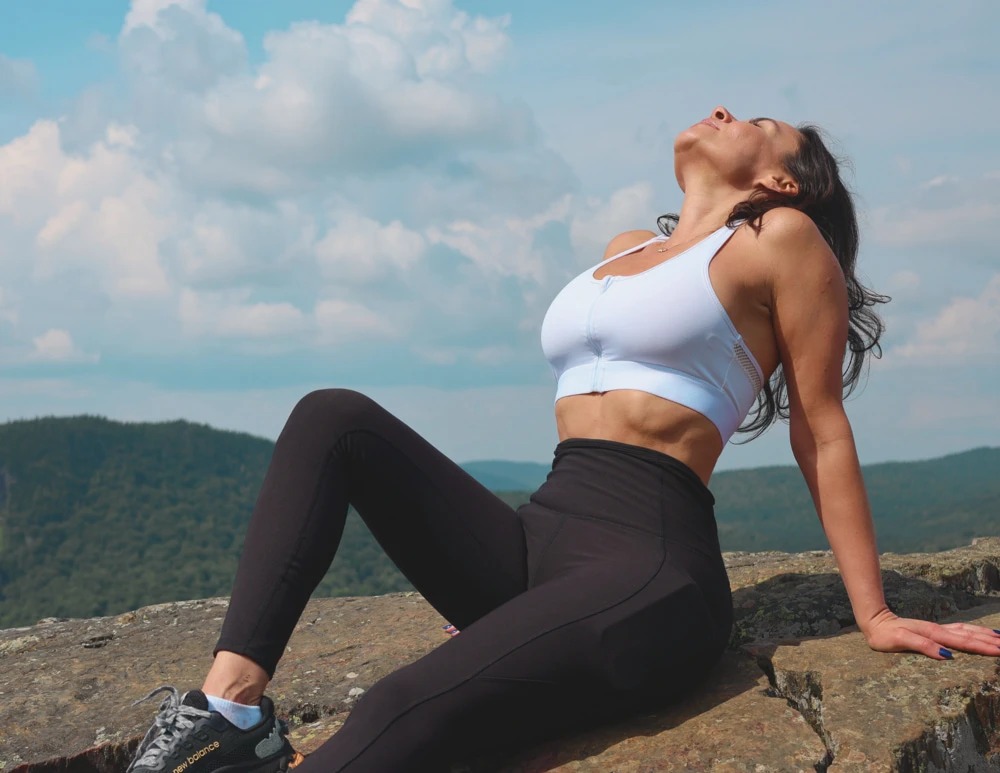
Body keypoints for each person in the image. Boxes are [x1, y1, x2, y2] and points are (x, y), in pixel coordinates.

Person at [124, 105, 1000, 773]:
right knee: (332, 416)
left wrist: (873, 609)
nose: (727, 112)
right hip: (539, 533)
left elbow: (820, 426)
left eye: (758, 123)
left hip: (648, 570)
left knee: (397, 705)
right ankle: (232, 710)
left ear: (779, 183)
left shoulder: (783, 240)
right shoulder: (623, 249)